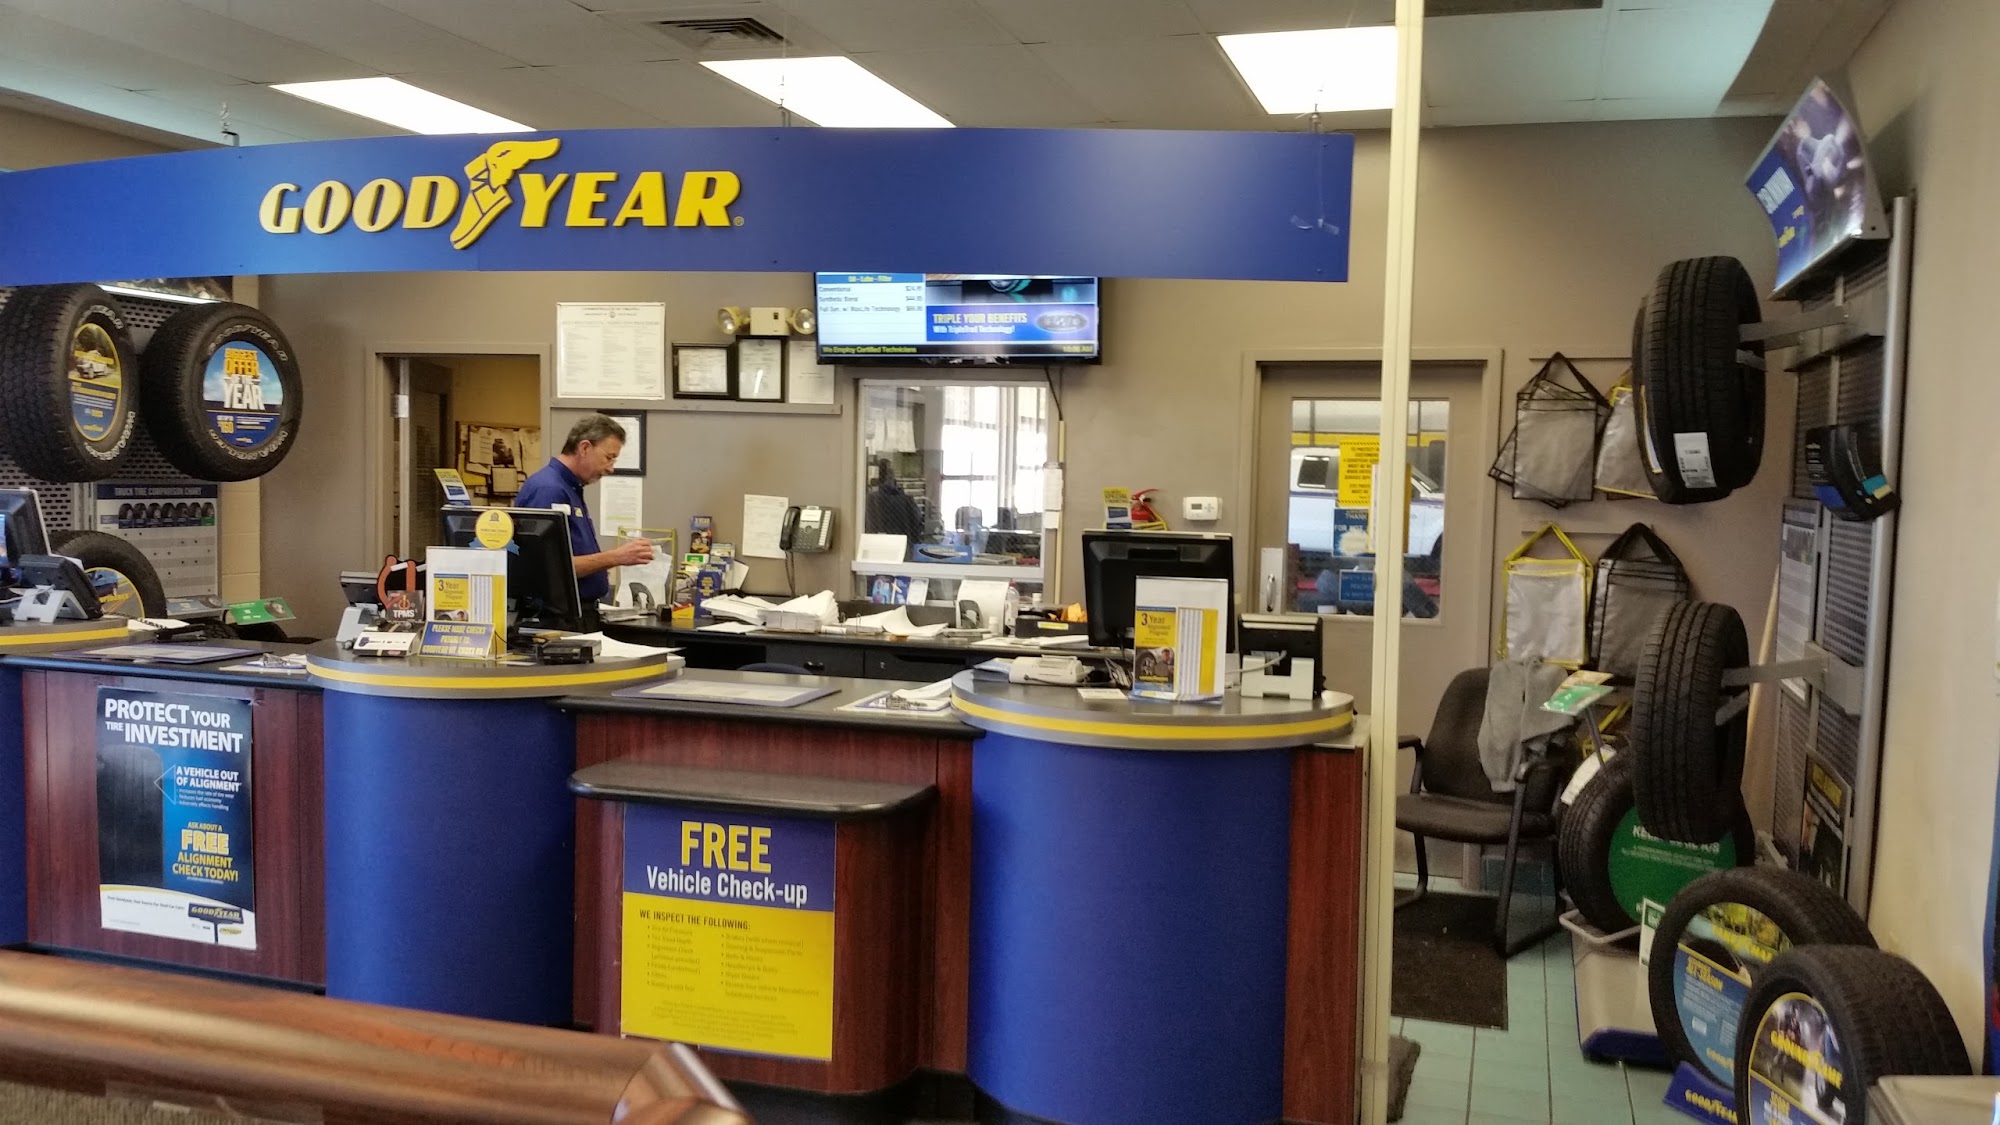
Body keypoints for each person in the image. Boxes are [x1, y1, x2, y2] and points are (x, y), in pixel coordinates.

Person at [515, 415, 655, 626]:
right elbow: (549, 568)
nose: (611, 468)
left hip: (577, 614)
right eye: (609, 458)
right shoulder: (548, 489)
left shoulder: (570, 487)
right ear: (584, 448)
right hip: (555, 620)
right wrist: (617, 557)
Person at [866, 458, 922, 540]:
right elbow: (916, 522)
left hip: (878, 543)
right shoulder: (905, 499)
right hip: (901, 543)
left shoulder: (871, 499)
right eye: (890, 473)